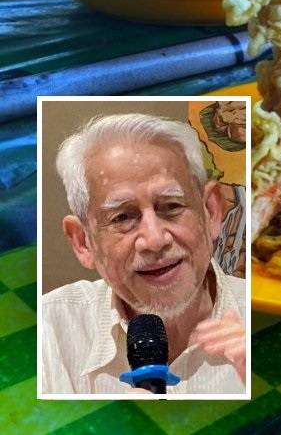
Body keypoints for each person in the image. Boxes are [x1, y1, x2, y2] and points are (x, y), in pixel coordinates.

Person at [40, 113, 247, 395]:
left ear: (211, 212)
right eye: (122, 216)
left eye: (172, 206)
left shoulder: (270, 322)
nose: (154, 240)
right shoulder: (45, 330)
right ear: (83, 242)